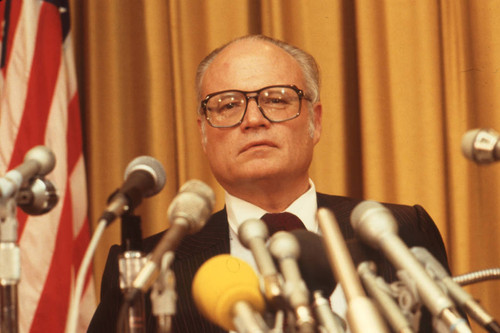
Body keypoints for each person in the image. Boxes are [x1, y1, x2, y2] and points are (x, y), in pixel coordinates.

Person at [88, 35, 455, 332]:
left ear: (316, 121)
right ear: (203, 132)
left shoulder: (400, 231)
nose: (252, 120)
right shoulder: (148, 268)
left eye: (276, 99)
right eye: (228, 105)